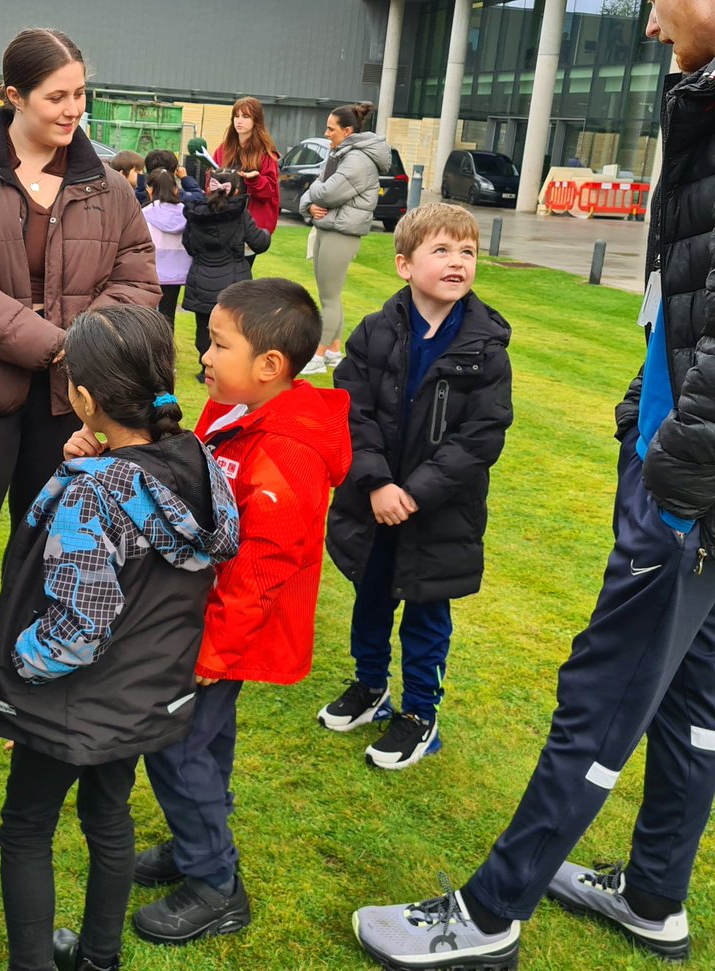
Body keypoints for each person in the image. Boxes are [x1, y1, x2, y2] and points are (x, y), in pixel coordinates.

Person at [354, 3, 715, 967]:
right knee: (693, 703)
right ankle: (652, 895)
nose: (646, 19)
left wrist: (669, 468)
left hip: (692, 494)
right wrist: (645, 399)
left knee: (603, 695)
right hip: (695, 482)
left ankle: (487, 914)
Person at [0, 305, 239, 971]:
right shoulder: (200, 459)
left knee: (27, 824)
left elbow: (79, 630)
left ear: (84, 398)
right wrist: (80, 462)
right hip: (141, 695)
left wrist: (14, 671)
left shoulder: (97, 495)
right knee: (108, 815)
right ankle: (99, 959)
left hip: (70, 700)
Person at [129, 279, 353, 945]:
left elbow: (262, 562)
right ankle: (198, 839)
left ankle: (215, 883)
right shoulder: (234, 409)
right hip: (204, 617)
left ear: (270, 366)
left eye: (218, 343)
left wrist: (213, 650)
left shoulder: (286, 446)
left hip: (227, 629)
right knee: (203, 741)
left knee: (178, 746)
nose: (203, 351)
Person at [0, 28, 160, 610]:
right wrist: (56, 343)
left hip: (70, 399)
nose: (73, 110)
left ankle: (28, 673)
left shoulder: (107, 184)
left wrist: (80, 349)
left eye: (80, 95)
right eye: (57, 96)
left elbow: (137, 275)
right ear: (13, 97)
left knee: (52, 543)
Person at [318, 203, 513, 770]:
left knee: (427, 614)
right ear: (405, 265)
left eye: (468, 252)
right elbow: (353, 413)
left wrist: (417, 492)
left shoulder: (486, 349)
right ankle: (370, 685)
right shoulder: (374, 333)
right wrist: (377, 484)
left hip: (439, 512)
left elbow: (481, 437)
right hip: (374, 501)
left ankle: (419, 714)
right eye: (442, 250)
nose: (458, 262)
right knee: (372, 596)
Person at [298, 102, 391, 375]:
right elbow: (317, 190)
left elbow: (325, 192)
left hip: (342, 233)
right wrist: (310, 205)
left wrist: (314, 193)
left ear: (347, 130)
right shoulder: (339, 153)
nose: (326, 133)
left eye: (331, 128)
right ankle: (334, 351)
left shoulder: (358, 160)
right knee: (329, 295)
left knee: (329, 298)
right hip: (328, 227)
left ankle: (317, 356)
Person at [181, 169, 271, 382]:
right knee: (234, 326)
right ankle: (230, 367)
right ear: (236, 190)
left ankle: (206, 370)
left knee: (204, 326)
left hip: (201, 276)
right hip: (234, 279)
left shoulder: (195, 214)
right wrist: (265, 233)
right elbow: (259, 242)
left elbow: (189, 245)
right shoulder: (241, 215)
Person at [213, 96, 280, 257]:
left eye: (245, 116)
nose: (239, 121)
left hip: (248, 226)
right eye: (236, 116)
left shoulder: (266, 154)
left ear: (256, 120)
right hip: (222, 220)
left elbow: (269, 193)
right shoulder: (224, 149)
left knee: (240, 277)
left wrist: (254, 180)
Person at [142, 167, 191, 330]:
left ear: (150, 190)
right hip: (177, 273)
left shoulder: (144, 214)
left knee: (147, 316)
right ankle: (166, 351)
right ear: (176, 190)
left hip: (150, 271)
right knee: (168, 315)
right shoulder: (185, 213)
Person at [134, 148, 205, 206]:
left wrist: (141, 179)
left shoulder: (141, 194)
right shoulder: (177, 195)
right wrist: (185, 178)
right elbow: (198, 197)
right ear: (175, 170)